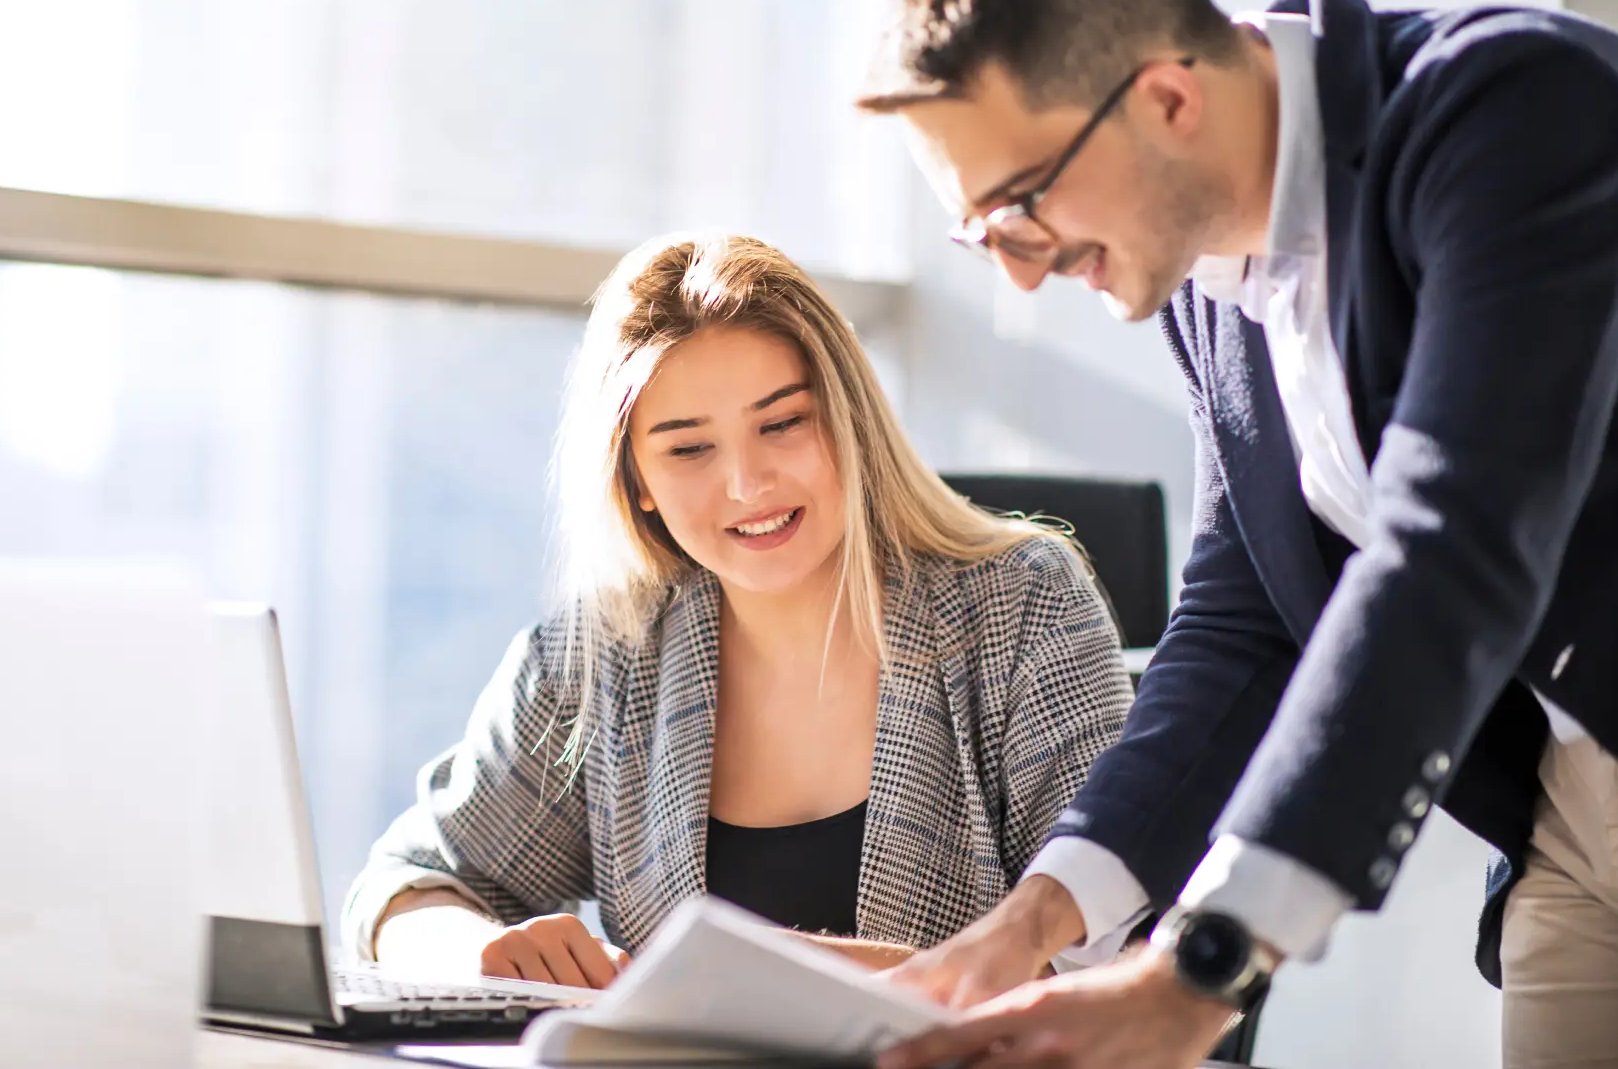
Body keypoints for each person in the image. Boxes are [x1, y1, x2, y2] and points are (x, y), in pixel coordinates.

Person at [854, 0, 1618, 1067]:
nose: (1019, 266)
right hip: (1570, 827)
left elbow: (1453, 542)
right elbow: (1246, 622)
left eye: (1022, 203)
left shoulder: (1517, 109)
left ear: (1169, 98)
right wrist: (1034, 918)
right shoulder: (1206, 285)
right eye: (980, 231)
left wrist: (1206, 968)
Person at [339, 232, 1134, 989]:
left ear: (848, 417)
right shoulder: (605, 653)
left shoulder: (1020, 603)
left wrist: (759, 978)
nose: (748, 485)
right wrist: (478, 953)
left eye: (783, 423)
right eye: (688, 448)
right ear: (636, 480)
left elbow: (1117, 943)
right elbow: (404, 885)